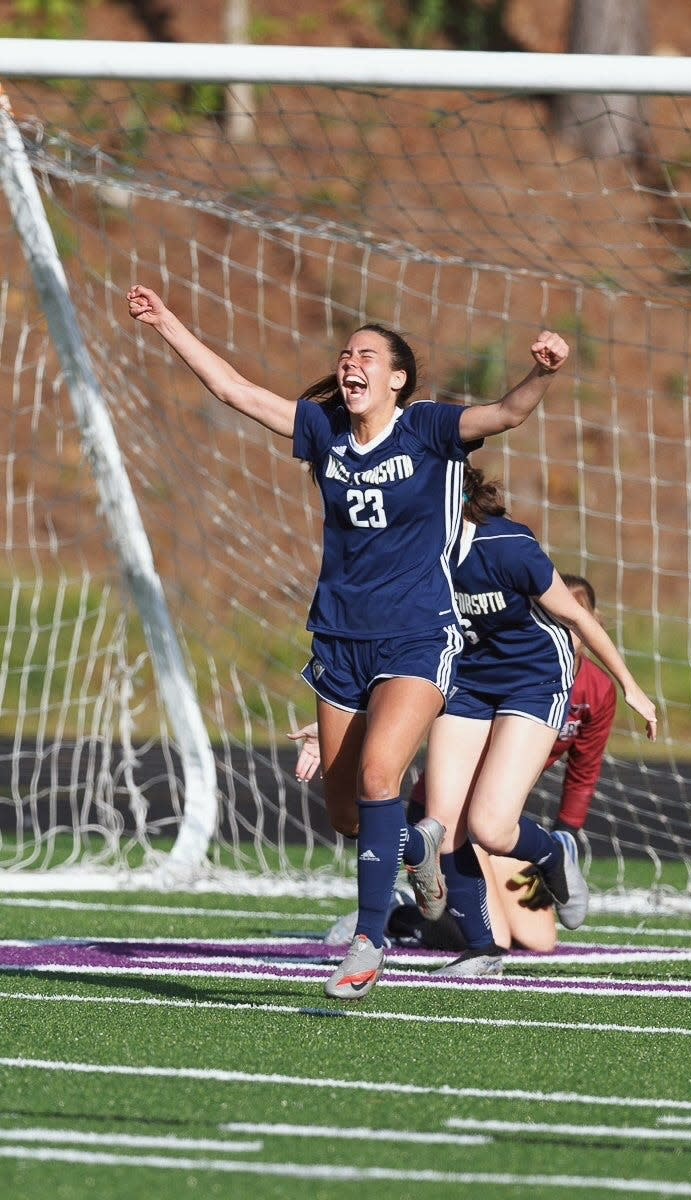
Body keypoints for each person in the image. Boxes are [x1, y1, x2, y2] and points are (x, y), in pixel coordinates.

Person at [126, 282, 570, 999]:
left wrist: (542, 372)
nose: (349, 363)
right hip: (338, 640)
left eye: (366, 354)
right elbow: (236, 390)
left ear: (397, 377)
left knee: (378, 780)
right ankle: (418, 859)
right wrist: (166, 322)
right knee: (345, 813)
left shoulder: (429, 430)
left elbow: (509, 412)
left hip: (419, 636)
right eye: (344, 354)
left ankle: (368, 943)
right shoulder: (324, 433)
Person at [418, 463, 657, 976]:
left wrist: (628, 685)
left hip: (534, 678)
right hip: (467, 680)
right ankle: (482, 951)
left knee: (490, 825)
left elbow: (575, 615)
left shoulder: (505, 545)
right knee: (442, 824)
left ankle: (553, 856)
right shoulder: (415, 554)